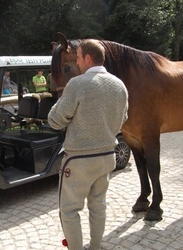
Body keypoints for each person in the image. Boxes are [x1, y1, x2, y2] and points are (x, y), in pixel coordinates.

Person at [48, 39, 128, 250]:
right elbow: (123, 118)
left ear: (88, 58)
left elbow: (55, 120)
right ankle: (95, 247)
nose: (77, 63)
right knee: (98, 205)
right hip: (107, 156)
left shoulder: (77, 84)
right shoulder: (119, 85)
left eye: (78, 57)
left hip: (79, 160)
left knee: (69, 210)